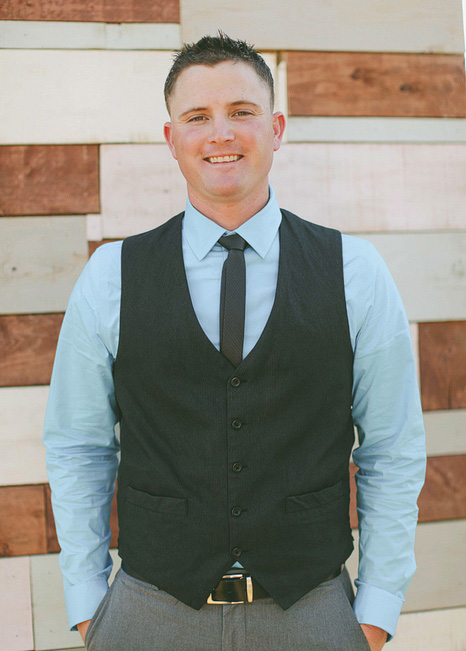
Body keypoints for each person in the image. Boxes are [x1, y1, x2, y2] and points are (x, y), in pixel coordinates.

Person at [43, 32, 426, 651]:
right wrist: (89, 606)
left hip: (312, 612)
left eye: (241, 113)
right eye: (198, 117)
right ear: (172, 140)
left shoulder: (356, 272)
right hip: (149, 612)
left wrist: (375, 612)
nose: (221, 134)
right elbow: (78, 449)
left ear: (276, 128)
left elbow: (392, 448)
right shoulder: (111, 277)